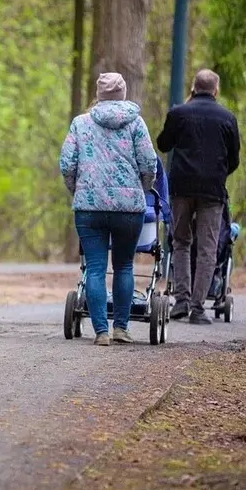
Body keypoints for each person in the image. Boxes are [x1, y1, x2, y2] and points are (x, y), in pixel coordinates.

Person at [60, 72, 157, 346]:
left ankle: (101, 332)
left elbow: (67, 163)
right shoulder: (136, 123)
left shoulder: (80, 123)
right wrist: (143, 188)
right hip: (129, 209)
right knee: (124, 265)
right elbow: (149, 163)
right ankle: (121, 329)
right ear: (123, 93)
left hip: (89, 208)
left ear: (99, 94)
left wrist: (78, 189)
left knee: (95, 268)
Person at [157, 68, 240, 324]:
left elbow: (163, 144)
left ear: (193, 88)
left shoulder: (178, 113)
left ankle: (180, 300)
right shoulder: (227, 118)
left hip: (181, 187)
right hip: (212, 192)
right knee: (207, 248)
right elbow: (234, 159)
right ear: (216, 91)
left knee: (181, 242)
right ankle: (197, 308)